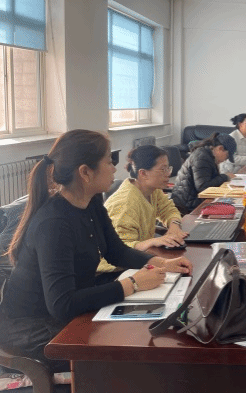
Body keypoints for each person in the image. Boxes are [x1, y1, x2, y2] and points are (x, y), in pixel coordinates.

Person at [0, 130, 192, 371]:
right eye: (109, 162)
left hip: (69, 305)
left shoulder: (91, 202)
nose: (114, 168)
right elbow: (62, 304)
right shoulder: (54, 223)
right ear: (85, 172)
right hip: (32, 328)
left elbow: (116, 252)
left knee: (148, 330)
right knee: (131, 353)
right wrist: (133, 284)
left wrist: (161, 263)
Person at [99, 145, 189, 273]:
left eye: (168, 168)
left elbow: (168, 209)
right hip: (113, 270)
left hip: (138, 259)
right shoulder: (125, 203)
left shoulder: (152, 190)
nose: (168, 174)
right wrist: (152, 241)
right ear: (143, 173)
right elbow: (119, 249)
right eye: (162, 169)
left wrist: (174, 225)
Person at [171, 133, 237, 214]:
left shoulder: (208, 155)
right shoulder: (202, 157)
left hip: (193, 200)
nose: (225, 160)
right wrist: (225, 177)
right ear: (220, 148)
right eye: (227, 156)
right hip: (187, 205)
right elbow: (203, 187)